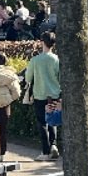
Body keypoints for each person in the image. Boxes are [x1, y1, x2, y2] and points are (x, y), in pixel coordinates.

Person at [25, 32, 61, 161]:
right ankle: (54, 145)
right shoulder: (57, 59)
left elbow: (28, 77)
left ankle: (45, 151)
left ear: (42, 42)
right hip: (54, 94)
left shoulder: (36, 60)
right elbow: (60, 77)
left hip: (40, 94)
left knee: (42, 123)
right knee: (53, 121)